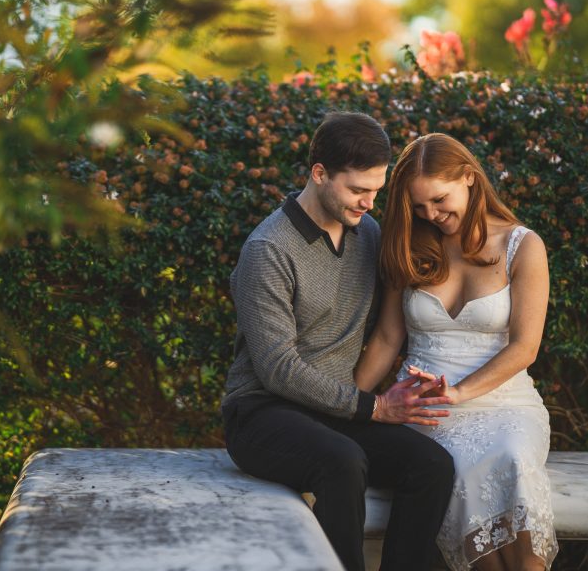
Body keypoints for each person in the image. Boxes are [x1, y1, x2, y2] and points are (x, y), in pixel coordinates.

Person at [221, 112, 456, 571]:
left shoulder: (367, 234)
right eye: (357, 190)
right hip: (261, 414)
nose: (369, 202)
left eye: (376, 190)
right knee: (342, 462)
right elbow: (277, 369)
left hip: (335, 411)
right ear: (319, 173)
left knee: (432, 466)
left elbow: (396, 318)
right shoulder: (268, 249)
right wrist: (376, 408)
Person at [354, 133, 559, 571]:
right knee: (457, 469)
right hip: (427, 412)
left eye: (439, 199)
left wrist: (461, 392)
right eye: (418, 205)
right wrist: (348, 404)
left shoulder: (523, 246)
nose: (430, 213)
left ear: (469, 177)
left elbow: (526, 347)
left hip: (506, 404)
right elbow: (389, 340)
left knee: (513, 461)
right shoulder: (410, 245)